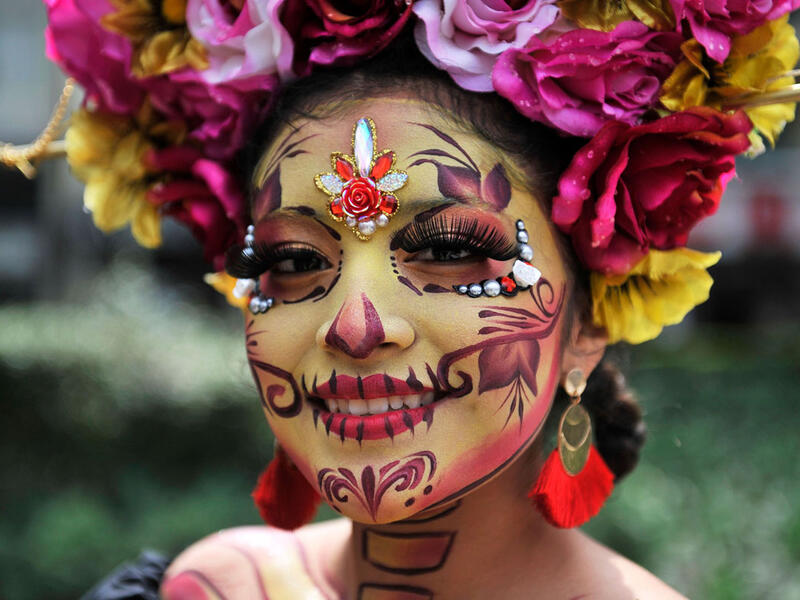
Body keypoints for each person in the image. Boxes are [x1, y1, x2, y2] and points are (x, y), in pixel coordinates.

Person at [13, 1, 799, 598]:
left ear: (588, 325)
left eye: (452, 251)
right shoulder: (216, 588)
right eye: (290, 259)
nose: (355, 325)